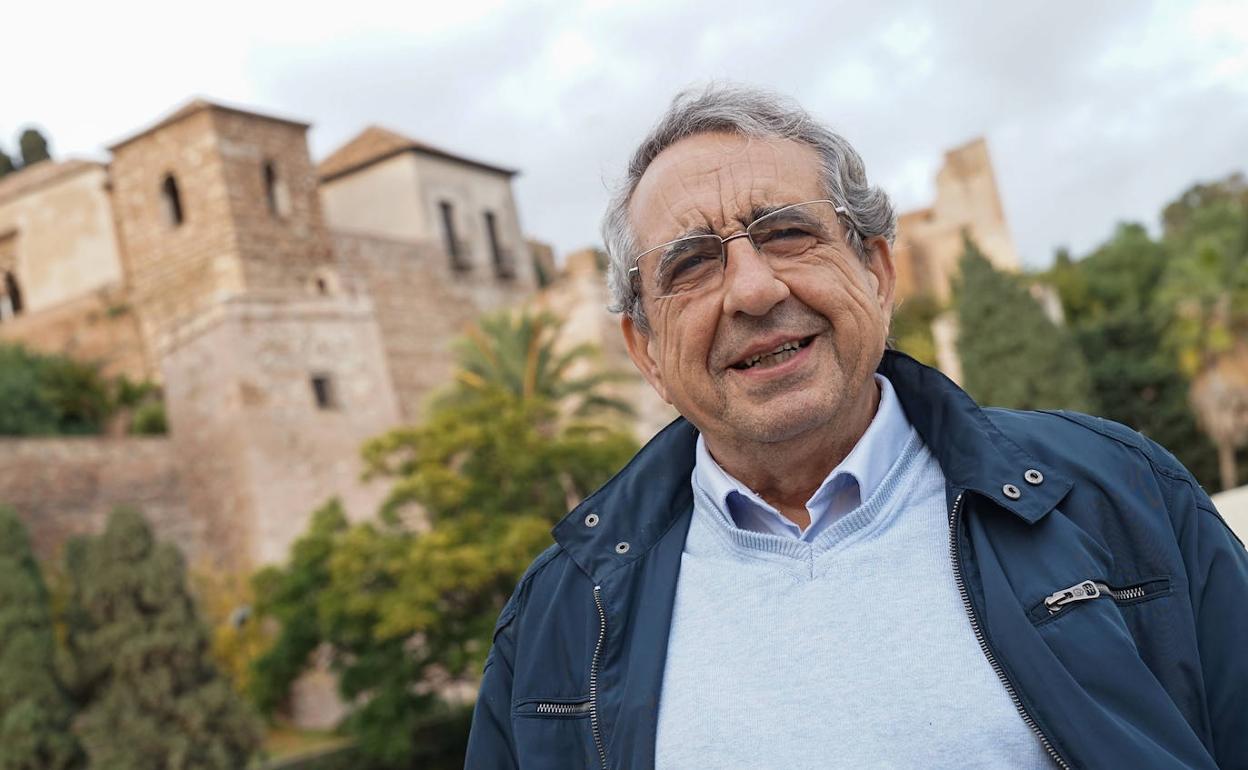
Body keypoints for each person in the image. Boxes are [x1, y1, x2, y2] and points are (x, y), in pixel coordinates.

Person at [464, 85, 1248, 769]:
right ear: (645, 351)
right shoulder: (556, 621)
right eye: (692, 264)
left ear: (876, 271)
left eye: (785, 233)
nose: (754, 289)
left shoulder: (1121, 493)